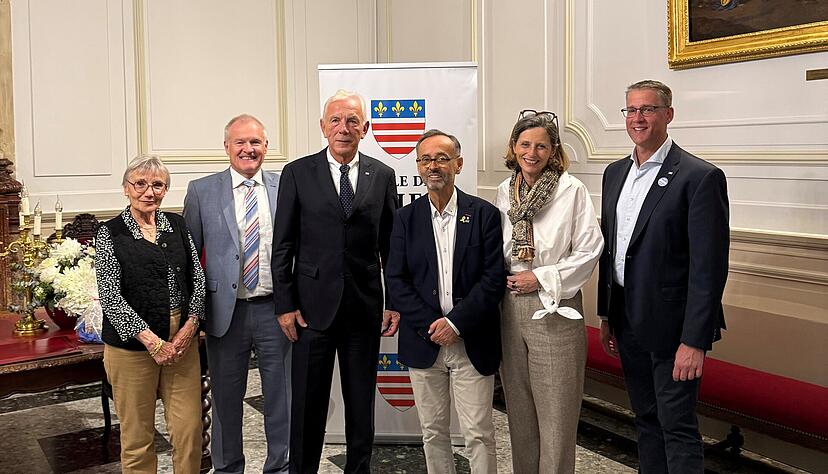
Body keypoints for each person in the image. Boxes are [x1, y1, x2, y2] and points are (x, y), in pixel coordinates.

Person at [597, 80, 729, 473]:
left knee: (677, 425)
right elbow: (615, 250)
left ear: (668, 115)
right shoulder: (614, 173)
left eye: (648, 109)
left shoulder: (699, 177)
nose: (638, 118)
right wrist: (607, 315)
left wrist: (695, 340)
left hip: (674, 331)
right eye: (631, 111)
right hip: (627, 320)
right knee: (646, 421)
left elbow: (709, 270)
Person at [273, 89, 400, 473]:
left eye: (351, 121)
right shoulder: (297, 173)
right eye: (335, 120)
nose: (343, 128)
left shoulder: (382, 175)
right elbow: (283, 245)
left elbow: (390, 246)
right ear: (323, 127)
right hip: (311, 310)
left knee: (361, 405)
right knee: (308, 405)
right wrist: (285, 305)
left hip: (363, 309)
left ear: (366, 127)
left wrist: (392, 301)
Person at [386, 130, 505, 474]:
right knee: (433, 432)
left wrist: (455, 323)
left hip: (472, 340)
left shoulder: (484, 214)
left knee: (478, 434)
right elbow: (397, 279)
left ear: (458, 163)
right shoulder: (405, 218)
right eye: (425, 159)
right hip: (424, 341)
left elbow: (493, 279)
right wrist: (432, 325)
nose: (433, 166)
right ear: (418, 167)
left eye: (441, 158)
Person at [495, 110, 603, 473]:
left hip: (554, 308)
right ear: (514, 147)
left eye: (541, 145)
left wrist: (539, 277)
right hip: (510, 309)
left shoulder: (571, 190)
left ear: (553, 150)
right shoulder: (504, 191)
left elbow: (589, 249)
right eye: (525, 144)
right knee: (521, 412)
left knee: (556, 416)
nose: (532, 152)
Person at [183, 114, 290, 473]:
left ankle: (280, 466)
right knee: (227, 399)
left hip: (277, 311)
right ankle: (228, 468)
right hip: (224, 312)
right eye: (240, 143)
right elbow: (189, 259)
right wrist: (193, 315)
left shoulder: (284, 187)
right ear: (226, 147)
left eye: (255, 142)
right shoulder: (201, 191)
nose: (248, 149)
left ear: (266, 147)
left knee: (282, 398)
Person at [96, 155, 205, 473]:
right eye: (140, 183)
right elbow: (110, 297)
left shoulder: (178, 225)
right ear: (126, 188)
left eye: (157, 184)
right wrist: (153, 343)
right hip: (131, 347)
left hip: (182, 342)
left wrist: (190, 326)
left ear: (166, 189)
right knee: (137, 439)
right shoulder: (110, 233)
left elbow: (197, 278)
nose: (148, 191)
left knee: (189, 431)